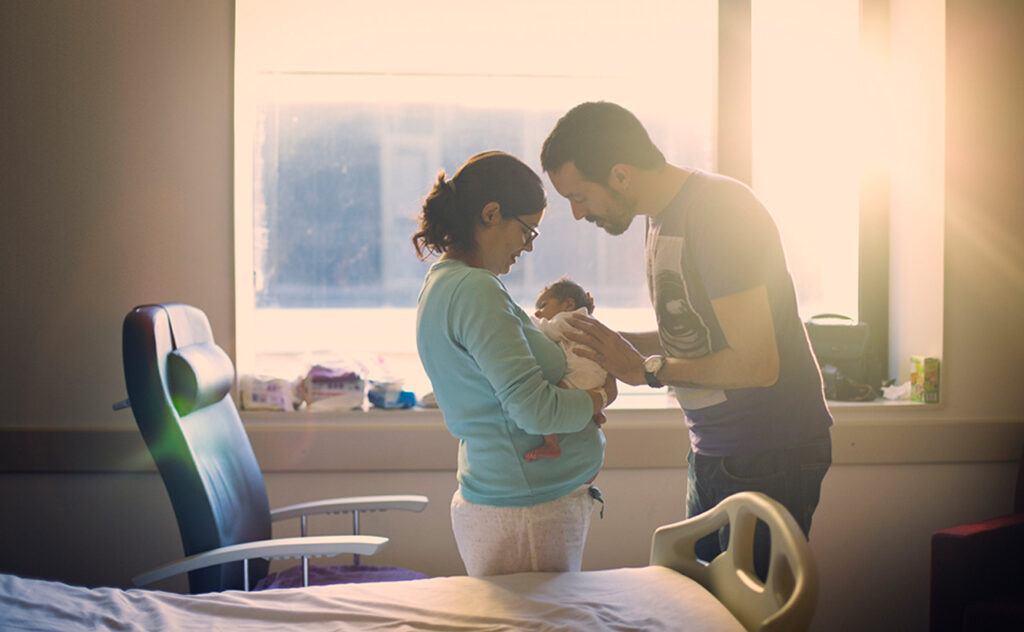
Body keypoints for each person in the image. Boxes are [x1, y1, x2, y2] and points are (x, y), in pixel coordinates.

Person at [540, 101, 833, 579]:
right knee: (701, 606)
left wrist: (645, 370)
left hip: (769, 452)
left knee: (745, 615)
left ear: (620, 175)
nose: (576, 214)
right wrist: (602, 345)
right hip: (716, 450)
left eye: (580, 196)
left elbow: (758, 363)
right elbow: (699, 332)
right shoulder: (661, 217)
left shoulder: (718, 211)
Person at [412, 150, 617, 577]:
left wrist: (576, 409)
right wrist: (598, 398)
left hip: (521, 502)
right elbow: (533, 410)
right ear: (491, 214)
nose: (527, 247)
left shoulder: (446, 283)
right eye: (527, 232)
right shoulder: (475, 290)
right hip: (527, 510)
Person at [525, 277, 607, 462]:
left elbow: (546, 330)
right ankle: (595, 412)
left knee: (549, 403)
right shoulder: (586, 319)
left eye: (543, 305)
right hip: (596, 376)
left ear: (569, 304)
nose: (538, 312)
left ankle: (551, 443)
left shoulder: (568, 319)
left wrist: (524, 320)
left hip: (581, 375)